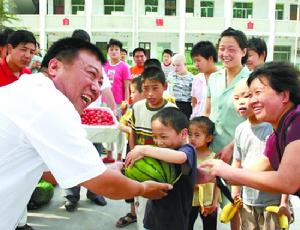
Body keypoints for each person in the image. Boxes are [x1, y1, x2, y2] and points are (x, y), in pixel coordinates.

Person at [0, 37, 172, 230]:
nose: (97, 88)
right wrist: (143, 188)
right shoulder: (51, 104)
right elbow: (105, 185)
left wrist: (100, 169)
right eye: (91, 74)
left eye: (100, 81)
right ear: (54, 67)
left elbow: (50, 173)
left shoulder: (30, 89)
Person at [200, 61, 300, 197]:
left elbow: (287, 182)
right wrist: (213, 175)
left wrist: (229, 171)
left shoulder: (296, 122)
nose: (252, 101)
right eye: (251, 95)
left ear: (284, 96)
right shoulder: (276, 135)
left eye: (258, 92)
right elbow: (256, 171)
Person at [202, 27, 249, 230]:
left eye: (232, 49)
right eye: (222, 48)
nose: (225, 54)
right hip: (212, 147)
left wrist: (232, 146)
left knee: (234, 201)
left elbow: (254, 119)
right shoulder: (213, 77)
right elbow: (208, 110)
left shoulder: (252, 80)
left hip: (238, 150)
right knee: (208, 199)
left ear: (243, 52)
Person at [117, 66, 176, 228]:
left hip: (163, 169)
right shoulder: (137, 107)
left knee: (162, 211)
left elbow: (176, 144)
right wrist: (133, 153)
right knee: (142, 209)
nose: (150, 94)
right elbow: (132, 133)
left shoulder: (171, 110)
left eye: (155, 88)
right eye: (145, 89)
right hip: (141, 170)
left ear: (165, 87)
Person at [231, 79, 290, 229]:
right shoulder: (240, 129)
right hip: (248, 200)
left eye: (247, 96)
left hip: (273, 202)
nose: (241, 102)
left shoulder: (272, 127)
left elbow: (285, 167)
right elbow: (237, 161)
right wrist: (236, 191)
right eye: (236, 98)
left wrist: (284, 202)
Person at [125, 107, 197, 230]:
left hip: (175, 220)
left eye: (163, 137)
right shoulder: (161, 151)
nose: (158, 142)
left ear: (183, 134)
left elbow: (180, 158)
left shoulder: (187, 150)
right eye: (155, 137)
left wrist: (144, 149)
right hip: (153, 217)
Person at [188, 116, 219, 230]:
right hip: (189, 202)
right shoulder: (187, 155)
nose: (192, 138)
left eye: (197, 135)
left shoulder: (214, 157)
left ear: (209, 138)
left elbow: (218, 183)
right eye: (190, 134)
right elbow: (184, 176)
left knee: (210, 227)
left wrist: (214, 203)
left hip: (208, 203)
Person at [190, 41, 218, 118]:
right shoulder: (196, 79)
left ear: (210, 58)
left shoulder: (222, 78)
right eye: (194, 61)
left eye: (198, 60)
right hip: (197, 121)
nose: (196, 65)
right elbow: (194, 102)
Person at [167, 53, 193, 119]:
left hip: (186, 106)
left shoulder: (192, 78)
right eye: (173, 65)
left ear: (185, 65)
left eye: (178, 65)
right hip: (172, 105)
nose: (175, 68)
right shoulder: (171, 75)